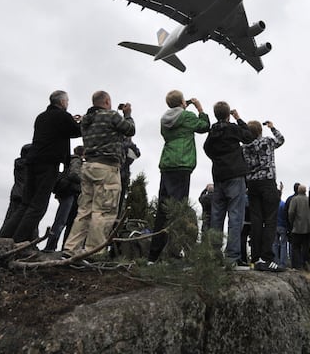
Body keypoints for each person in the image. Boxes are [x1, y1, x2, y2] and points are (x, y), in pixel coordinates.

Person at [0, 90, 81, 244]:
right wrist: (81, 122)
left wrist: (72, 120)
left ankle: (3, 240)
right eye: (67, 101)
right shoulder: (62, 116)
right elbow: (77, 131)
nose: (68, 104)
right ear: (62, 102)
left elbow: (62, 129)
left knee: (25, 204)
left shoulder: (42, 117)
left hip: (32, 162)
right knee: (38, 207)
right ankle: (17, 243)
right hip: (48, 164)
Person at [62, 91, 134, 262]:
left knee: (84, 210)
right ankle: (93, 253)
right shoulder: (111, 116)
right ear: (107, 101)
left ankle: (70, 249)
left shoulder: (86, 120)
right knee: (103, 211)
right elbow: (130, 130)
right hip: (107, 168)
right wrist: (128, 114)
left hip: (88, 166)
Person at [148, 90, 210, 263]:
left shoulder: (164, 119)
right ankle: (174, 253)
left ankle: (153, 256)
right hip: (182, 164)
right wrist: (200, 109)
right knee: (178, 211)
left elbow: (177, 118)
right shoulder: (188, 116)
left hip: (167, 163)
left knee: (163, 210)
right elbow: (204, 126)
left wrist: (182, 105)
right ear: (182, 102)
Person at [203, 101, 254, 270]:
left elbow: (206, 149)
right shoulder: (232, 129)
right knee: (235, 217)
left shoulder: (212, 132)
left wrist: (218, 159)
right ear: (227, 115)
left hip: (219, 177)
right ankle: (231, 258)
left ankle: (214, 256)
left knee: (217, 217)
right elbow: (248, 136)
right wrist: (238, 118)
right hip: (235, 175)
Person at [242, 119, 286, 272]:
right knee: (270, 220)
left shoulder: (245, 147)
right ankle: (267, 258)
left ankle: (255, 258)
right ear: (260, 131)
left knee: (256, 220)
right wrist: (273, 127)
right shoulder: (267, 141)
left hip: (252, 184)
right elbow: (281, 140)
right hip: (267, 182)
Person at [44, 145, 84, 252]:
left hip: (70, 193)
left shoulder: (71, 160)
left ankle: (61, 248)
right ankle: (52, 247)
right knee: (62, 221)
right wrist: (86, 181)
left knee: (67, 222)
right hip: (70, 193)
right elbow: (74, 174)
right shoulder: (77, 161)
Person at [288, 184, 310, 271]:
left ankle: (297, 266)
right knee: (307, 248)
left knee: (296, 247)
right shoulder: (309, 200)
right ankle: (307, 265)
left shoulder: (295, 199)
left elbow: (291, 212)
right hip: (309, 228)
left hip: (298, 227)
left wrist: (291, 222)